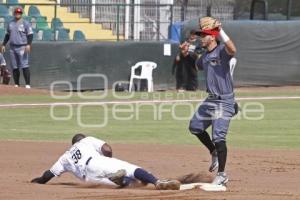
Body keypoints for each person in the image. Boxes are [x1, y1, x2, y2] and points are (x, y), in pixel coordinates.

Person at [31, 133, 180, 190]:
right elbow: (107, 150)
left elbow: (48, 175)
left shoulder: (64, 157)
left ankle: (121, 180)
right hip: (97, 162)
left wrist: (37, 181)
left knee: (127, 185)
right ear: (81, 139)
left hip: (89, 178)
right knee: (131, 169)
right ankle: (157, 182)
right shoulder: (86, 141)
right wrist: (108, 162)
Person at [188, 17, 237, 186]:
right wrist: (191, 49)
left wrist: (219, 30)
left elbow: (232, 48)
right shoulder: (205, 56)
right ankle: (213, 152)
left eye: (204, 35)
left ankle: (222, 174)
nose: (202, 37)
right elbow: (198, 65)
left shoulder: (222, 51)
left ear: (212, 36)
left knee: (219, 136)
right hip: (210, 101)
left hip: (224, 101)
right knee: (194, 127)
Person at [1, 7, 33, 89]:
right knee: (14, 66)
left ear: (21, 14)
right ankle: (17, 84)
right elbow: (7, 35)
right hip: (12, 47)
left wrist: (28, 44)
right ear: (14, 13)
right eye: (16, 12)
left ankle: (27, 84)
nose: (17, 14)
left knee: (24, 65)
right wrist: (4, 44)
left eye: (19, 13)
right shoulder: (11, 23)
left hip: (22, 46)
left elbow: (30, 34)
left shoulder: (25, 23)